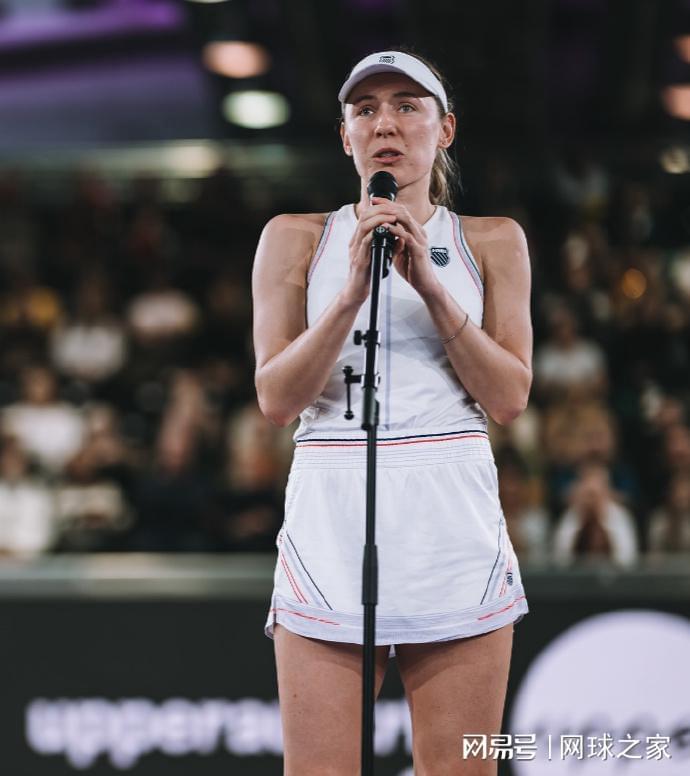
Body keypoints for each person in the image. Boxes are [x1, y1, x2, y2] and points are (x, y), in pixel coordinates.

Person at [252, 49, 532, 775]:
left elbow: (509, 398)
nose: (385, 124)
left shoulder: (492, 239)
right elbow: (276, 399)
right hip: (331, 504)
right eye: (366, 109)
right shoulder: (296, 236)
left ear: (445, 129)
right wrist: (350, 293)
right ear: (344, 134)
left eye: (408, 106)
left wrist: (433, 290)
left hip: (451, 509)